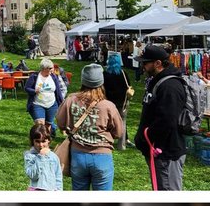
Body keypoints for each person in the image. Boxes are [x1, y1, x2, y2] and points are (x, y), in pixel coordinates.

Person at [54, 63, 126, 191]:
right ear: (101, 82)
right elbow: (119, 132)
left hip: (78, 155)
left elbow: (60, 121)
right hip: (102, 156)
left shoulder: (71, 100)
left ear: (83, 80)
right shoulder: (108, 106)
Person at [134, 44, 188, 191]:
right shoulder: (157, 81)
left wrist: (147, 139)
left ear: (158, 63)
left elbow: (167, 120)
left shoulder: (170, 86)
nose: (143, 66)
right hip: (157, 151)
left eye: (145, 62)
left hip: (166, 152)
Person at [23, 57, 66, 132]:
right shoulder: (34, 76)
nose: (52, 70)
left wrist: (62, 103)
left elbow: (58, 91)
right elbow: (26, 88)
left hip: (52, 104)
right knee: (40, 124)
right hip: (38, 104)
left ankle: (47, 140)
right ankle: (39, 140)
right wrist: (34, 91)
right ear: (44, 68)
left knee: (48, 124)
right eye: (50, 68)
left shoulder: (53, 77)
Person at [103, 51, 133, 149]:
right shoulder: (123, 73)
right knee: (122, 122)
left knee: (107, 122)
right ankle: (122, 144)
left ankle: (107, 141)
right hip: (122, 102)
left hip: (109, 102)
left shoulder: (105, 74)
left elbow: (103, 88)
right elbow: (128, 85)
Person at [23, 122, 62, 191]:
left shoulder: (53, 157)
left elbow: (58, 177)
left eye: (43, 141)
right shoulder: (30, 156)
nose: (41, 145)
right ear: (32, 141)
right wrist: (40, 157)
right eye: (37, 141)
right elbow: (33, 175)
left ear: (49, 141)